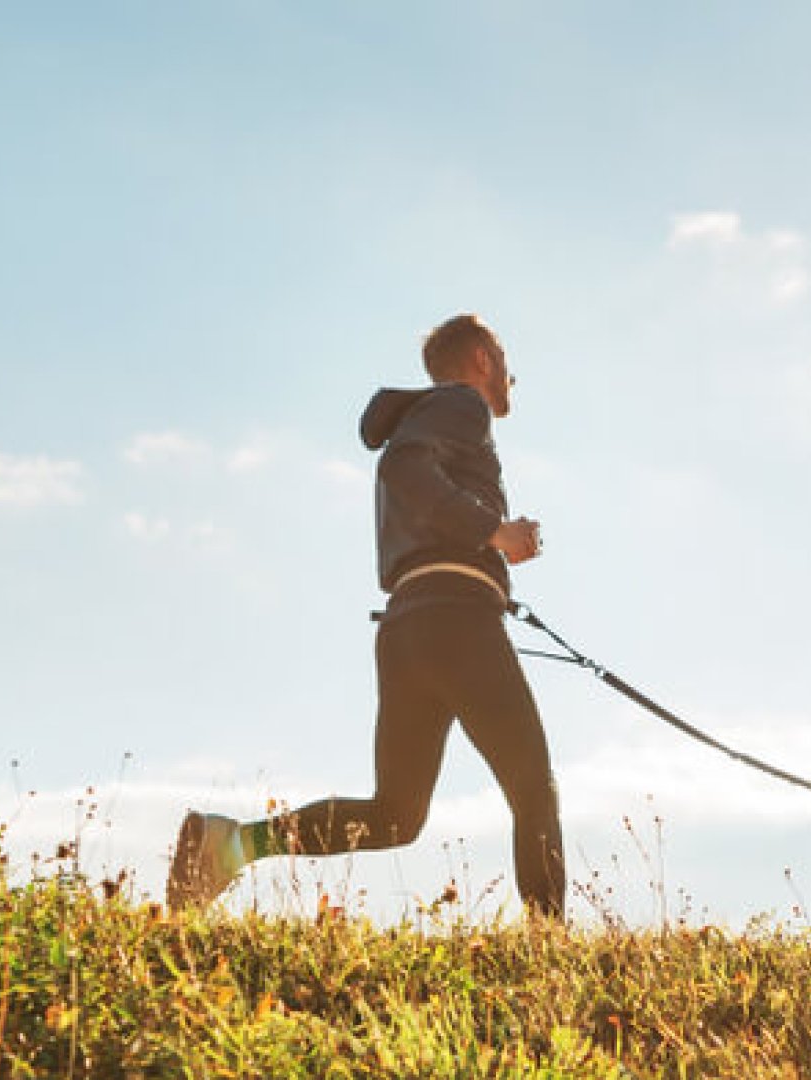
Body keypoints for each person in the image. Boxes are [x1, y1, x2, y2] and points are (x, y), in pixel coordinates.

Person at [165, 313, 566, 919]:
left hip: (409, 627)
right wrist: (494, 532)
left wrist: (493, 545)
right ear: (483, 358)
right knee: (533, 788)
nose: (513, 375)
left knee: (396, 815)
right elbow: (403, 467)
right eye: (504, 359)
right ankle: (548, 950)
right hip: (457, 622)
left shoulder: (432, 417)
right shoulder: (463, 405)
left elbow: (411, 475)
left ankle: (232, 844)